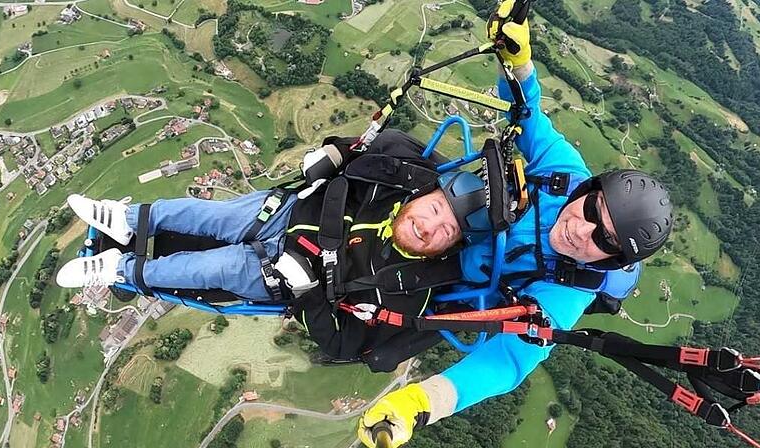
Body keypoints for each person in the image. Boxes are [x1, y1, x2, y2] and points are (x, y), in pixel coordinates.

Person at [357, 2, 673, 448]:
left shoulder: (567, 292)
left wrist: (420, 403)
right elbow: (528, 117)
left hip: (443, 280)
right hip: (451, 215)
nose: (583, 230)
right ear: (587, 191)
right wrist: (518, 58)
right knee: (388, 156)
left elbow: (508, 362)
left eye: (604, 240)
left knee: (361, 333)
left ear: (611, 261)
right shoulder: (565, 174)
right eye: (591, 211)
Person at [56, 130, 471, 371]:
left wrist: (310, 294)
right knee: (209, 216)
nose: (429, 226)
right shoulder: (398, 182)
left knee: (213, 270)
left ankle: (118, 269)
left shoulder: (412, 291)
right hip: (289, 211)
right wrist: (334, 152)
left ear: (448, 247)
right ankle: (125, 220)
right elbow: (375, 144)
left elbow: (343, 347)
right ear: (426, 194)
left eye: (445, 231)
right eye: (435, 210)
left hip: (287, 273)